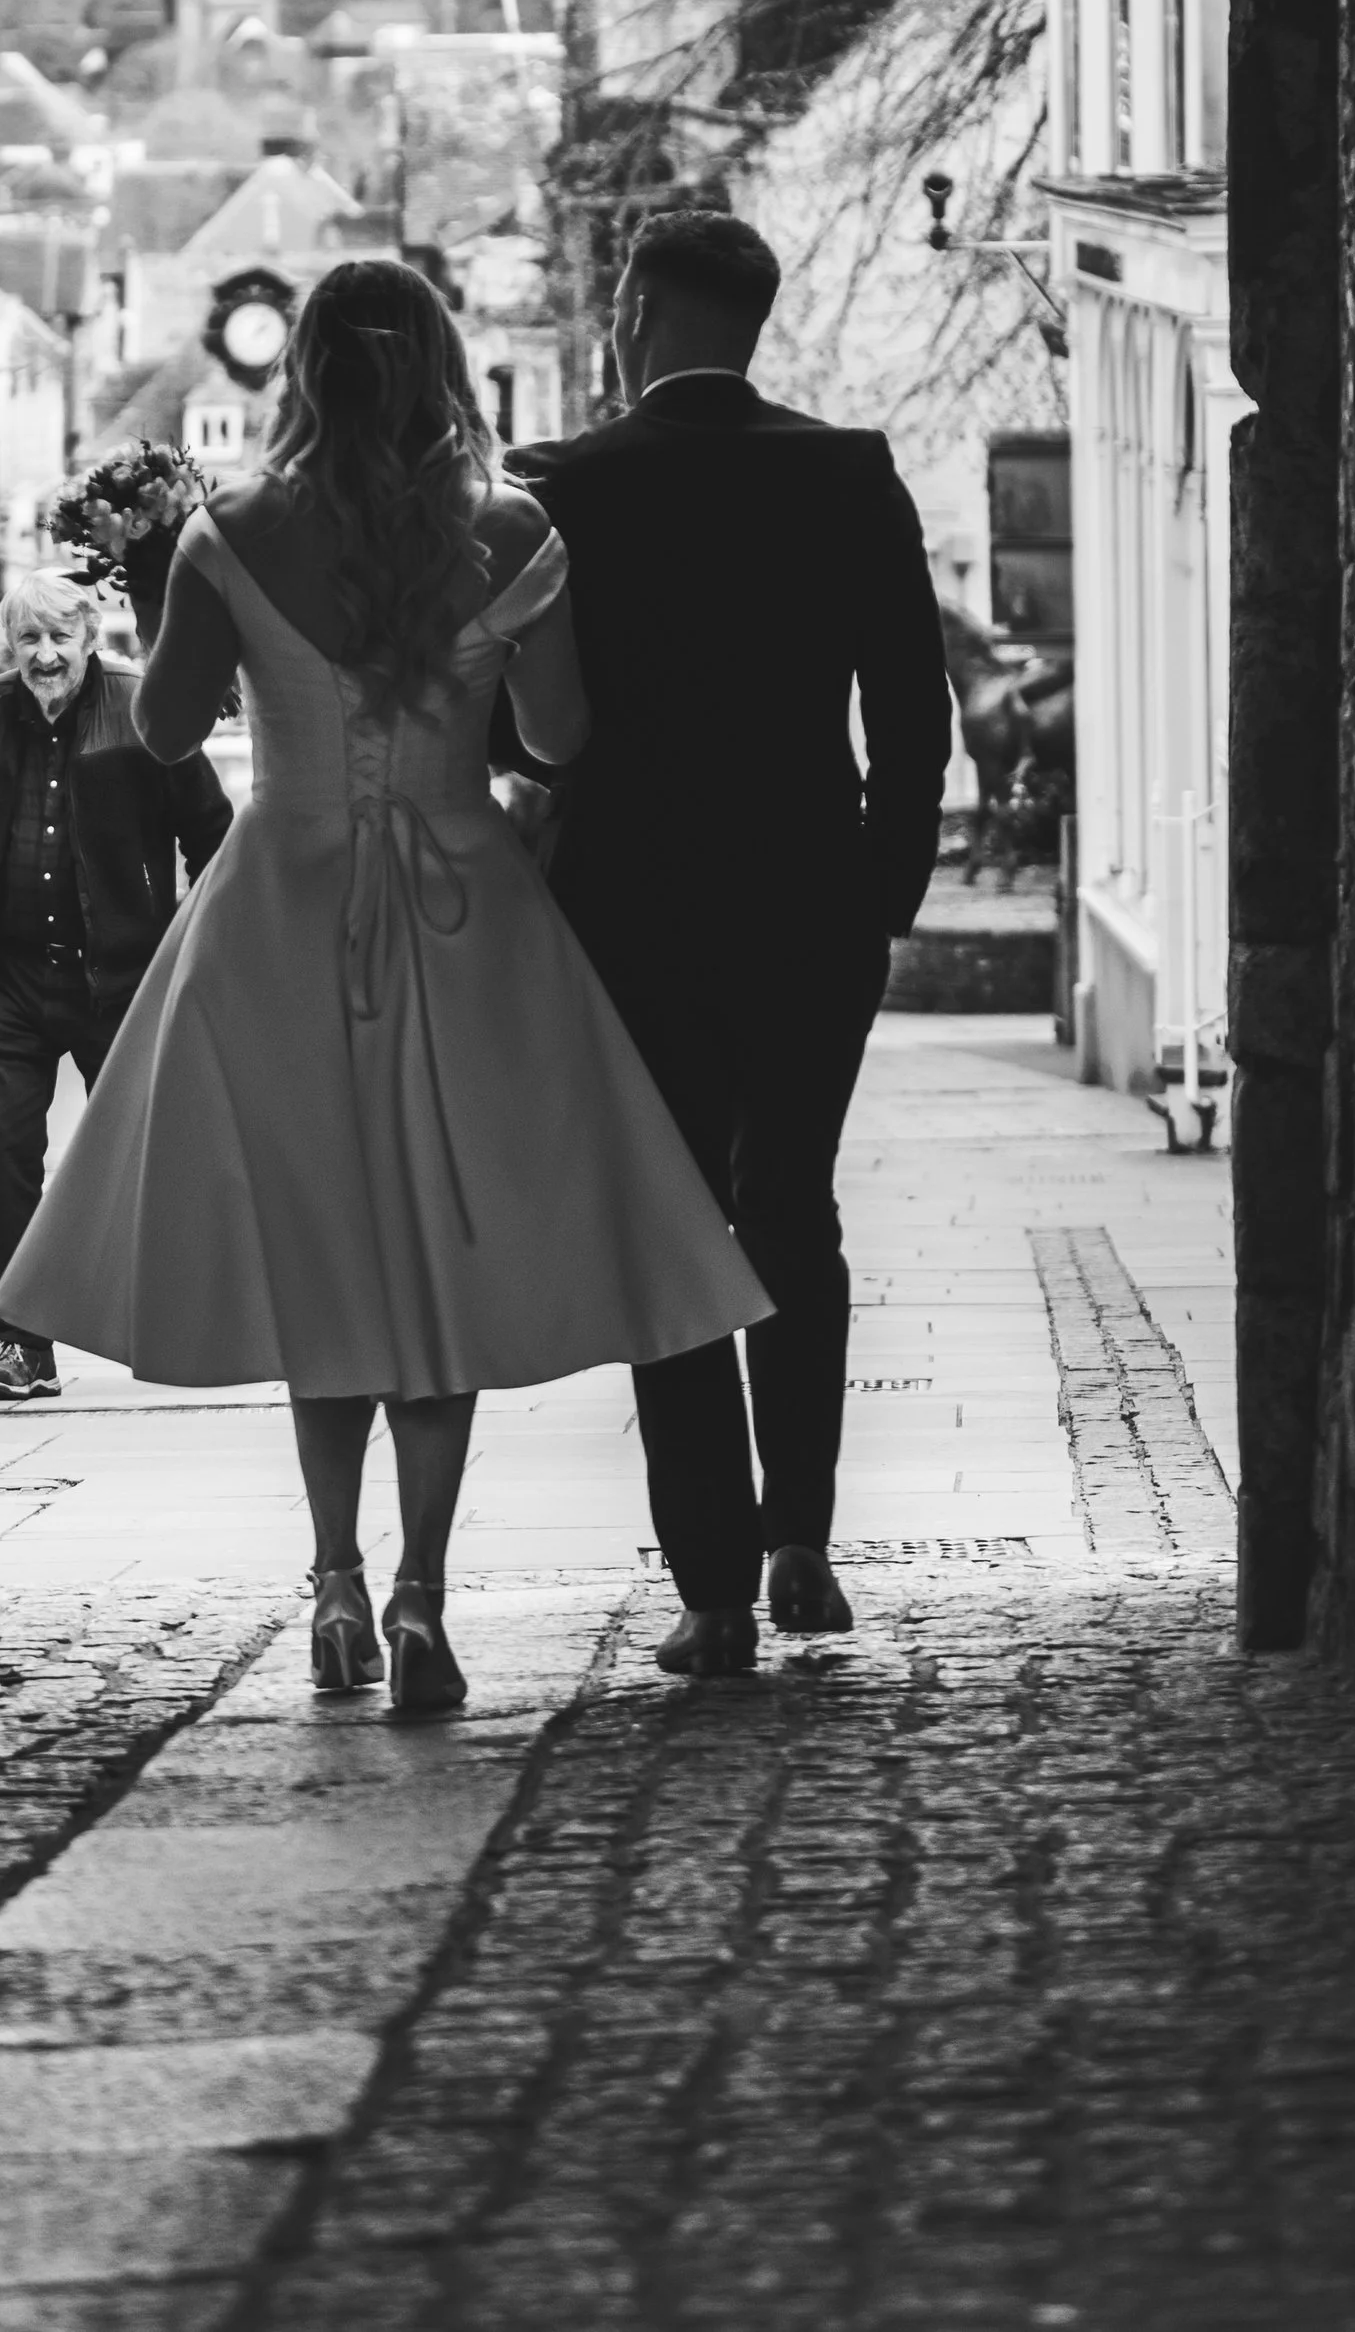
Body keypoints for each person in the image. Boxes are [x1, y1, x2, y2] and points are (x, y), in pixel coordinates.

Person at [0, 262, 767, 1715]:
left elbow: (160, 732)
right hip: (462, 905)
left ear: (304, 376)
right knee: (436, 1254)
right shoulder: (511, 528)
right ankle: (422, 1592)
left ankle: (336, 1584)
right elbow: (559, 733)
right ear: (438, 365)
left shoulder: (234, 531)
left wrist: (160, 591)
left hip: (282, 908)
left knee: (325, 1255)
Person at [507, 209, 954, 1681]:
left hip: (633, 914)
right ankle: (801, 1536)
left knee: (675, 1228)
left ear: (637, 309)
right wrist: (883, 884)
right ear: (753, 321)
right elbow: (909, 698)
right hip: (810, 901)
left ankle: (708, 1588)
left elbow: (533, 724)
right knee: (796, 1209)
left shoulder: (565, 485)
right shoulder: (843, 471)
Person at [0, 571, 232, 1406]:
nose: (46, 656)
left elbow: (214, 837)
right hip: (15, 978)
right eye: (29, 640)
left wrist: (202, 952)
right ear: (9, 645)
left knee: (142, 1157)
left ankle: (179, 1313)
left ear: (90, 637)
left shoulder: (139, 705)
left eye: (61, 638)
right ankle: (24, 1344)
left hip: (120, 978)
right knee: (6, 1152)